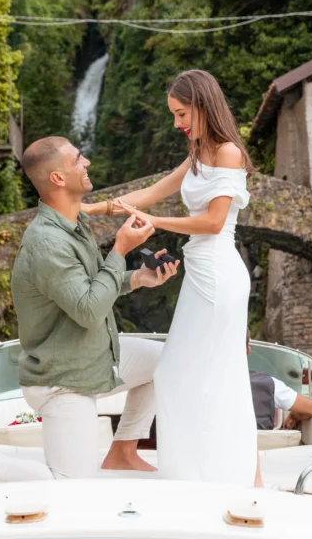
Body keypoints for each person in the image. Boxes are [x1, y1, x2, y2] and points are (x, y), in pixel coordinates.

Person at [0, 136, 179, 484]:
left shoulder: (73, 225)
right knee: (69, 483)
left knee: (166, 361)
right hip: (64, 379)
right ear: (57, 178)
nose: (86, 163)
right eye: (77, 160)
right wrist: (120, 249)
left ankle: (124, 452)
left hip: (91, 359)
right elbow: (88, 310)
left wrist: (138, 278)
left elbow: (89, 289)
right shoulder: (47, 242)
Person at [83, 69, 258, 486]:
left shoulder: (229, 153)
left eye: (182, 113)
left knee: (206, 373)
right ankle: (230, 474)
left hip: (218, 276)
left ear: (202, 105)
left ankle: (234, 476)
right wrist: (89, 210)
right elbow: (149, 193)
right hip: (202, 276)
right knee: (195, 373)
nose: (178, 123)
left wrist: (154, 221)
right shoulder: (197, 152)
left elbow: (214, 223)